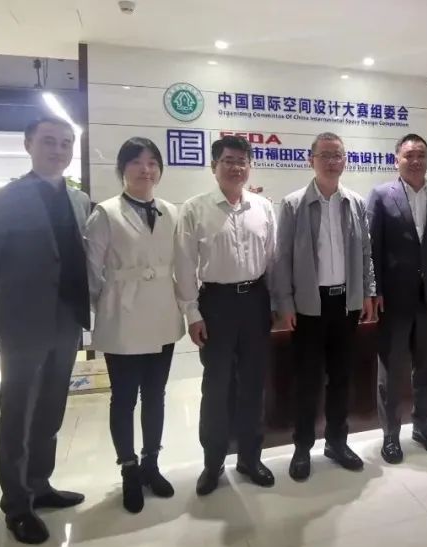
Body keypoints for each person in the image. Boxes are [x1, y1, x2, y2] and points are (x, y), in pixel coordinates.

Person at [0, 116, 90, 544]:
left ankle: (40, 484)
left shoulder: (79, 200)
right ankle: (16, 504)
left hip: (67, 319)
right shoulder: (3, 199)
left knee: (51, 407)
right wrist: (14, 308)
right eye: (49, 141)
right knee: (18, 412)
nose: (58, 150)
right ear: (28, 144)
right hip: (22, 323)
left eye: (66, 143)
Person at [84, 137, 184, 513]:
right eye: (137, 162)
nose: (146, 169)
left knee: (156, 394)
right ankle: (128, 469)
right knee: (124, 398)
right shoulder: (105, 213)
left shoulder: (171, 211)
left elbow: (181, 262)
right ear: (122, 169)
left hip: (162, 314)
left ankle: (150, 463)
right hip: (122, 317)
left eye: (153, 162)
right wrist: (109, 305)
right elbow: (91, 272)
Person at [175, 135, 277, 496]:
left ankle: (250, 457)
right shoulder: (195, 209)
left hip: (255, 301)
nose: (236, 167)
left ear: (250, 166)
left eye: (242, 161)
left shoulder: (263, 207)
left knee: (253, 384)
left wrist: (275, 305)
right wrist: (192, 313)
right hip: (216, 304)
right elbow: (183, 265)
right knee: (216, 387)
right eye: (229, 161)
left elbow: (273, 259)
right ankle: (213, 462)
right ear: (214, 166)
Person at [272, 132, 376, 481]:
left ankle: (336, 442)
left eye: (338, 155)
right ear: (311, 160)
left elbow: (366, 253)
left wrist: (367, 293)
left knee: (341, 378)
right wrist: (285, 303)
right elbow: (282, 257)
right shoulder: (294, 204)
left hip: (345, 304)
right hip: (308, 306)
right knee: (307, 380)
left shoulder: (355, 202)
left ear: (345, 160)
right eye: (325, 155)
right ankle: (302, 447)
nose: (332, 161)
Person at [367, 133, 427, 464]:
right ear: (397, 160)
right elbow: (372, 248)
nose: (415, 160)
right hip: (394, 299)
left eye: (421, 155)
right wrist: (374, 290)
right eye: (409, 155)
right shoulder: (380, 195)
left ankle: (423, 426)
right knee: (391, 370)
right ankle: (391, 434)